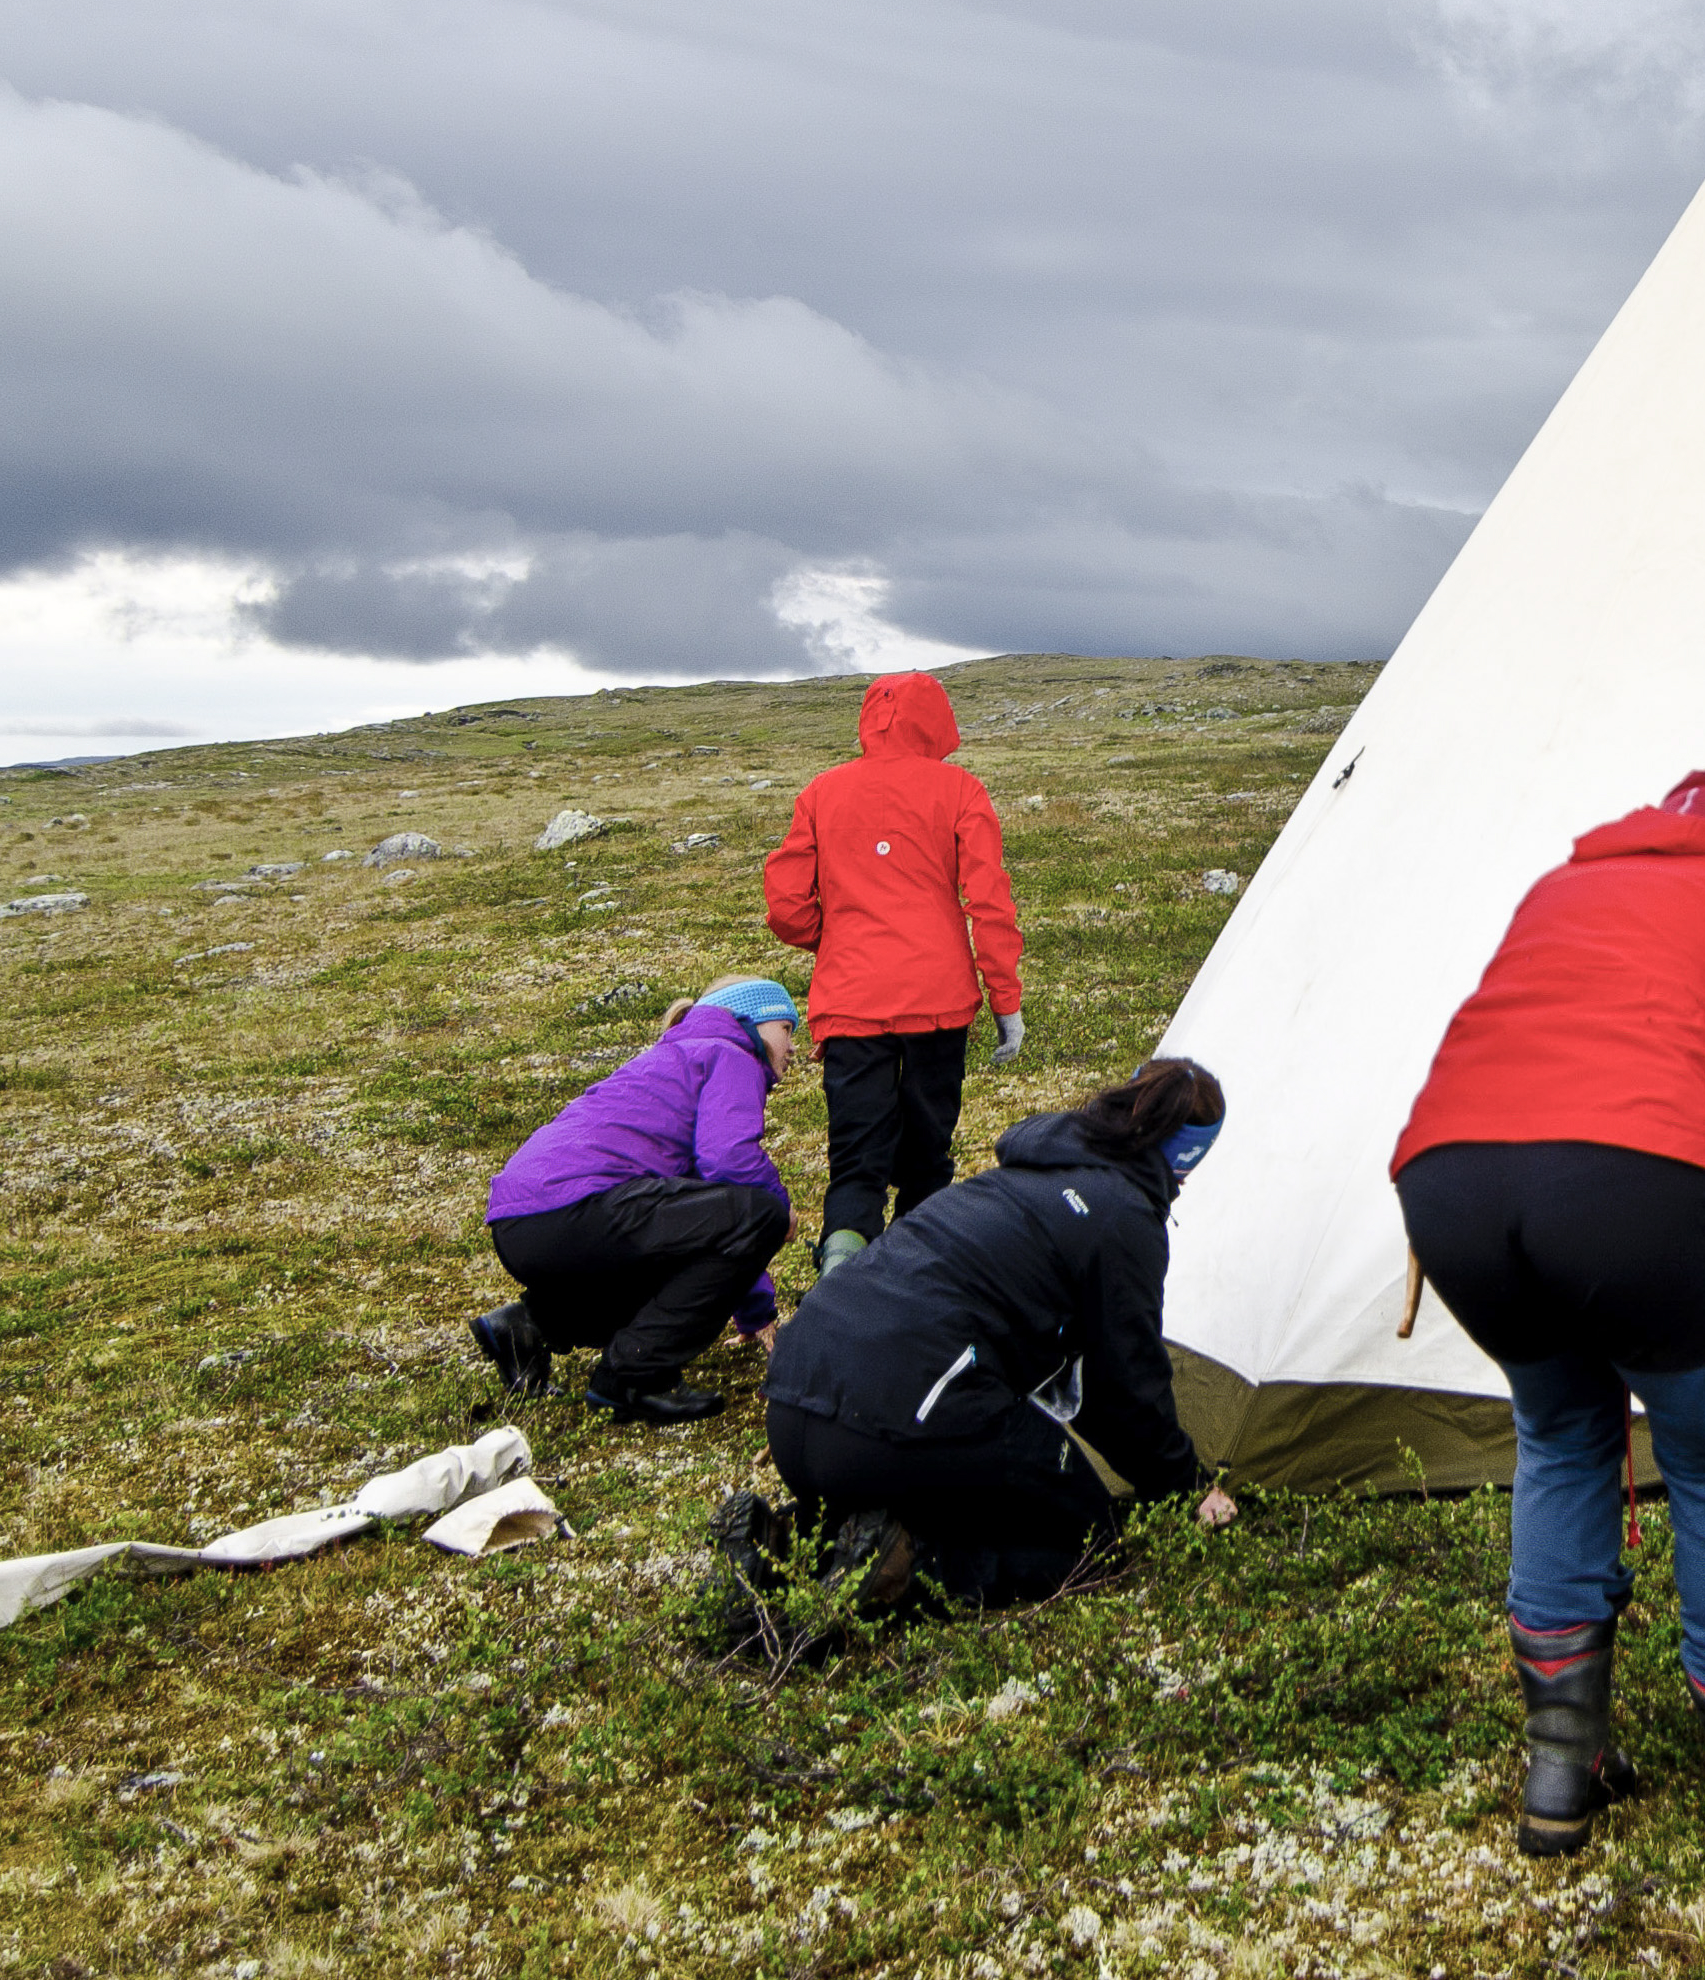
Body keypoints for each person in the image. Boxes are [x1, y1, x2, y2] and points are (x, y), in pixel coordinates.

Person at [1390, 767, 1705, 1865]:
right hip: (1631, 1184)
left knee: (1562, 1434)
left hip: (1452, 1180)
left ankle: (1562, 1765)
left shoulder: (1564, 886)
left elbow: (1566, 1079)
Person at [729, 1056, 1240, 1645]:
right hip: (889, 1421)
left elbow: (1091, 1386)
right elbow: (1124, 1387)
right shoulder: (1123, 1219)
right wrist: (1185, 1485)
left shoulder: (1021, 1175)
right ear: (1183, 1161)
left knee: (960, 1476)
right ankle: (908, 1572)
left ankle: (785, 1542)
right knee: (1083, 1538)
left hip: (796, 1404)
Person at [764, 670, 1027, 1279]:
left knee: (856, 1162)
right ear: (937, 721)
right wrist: (1005, 1003)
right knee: (927, 1157)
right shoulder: (960, 789)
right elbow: (988, 904)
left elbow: (785, 905)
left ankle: (842, 1275)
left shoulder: (822, 793)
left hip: (851, 1001)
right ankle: (918, 1284)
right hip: (940, 1002)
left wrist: (835, 941)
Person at [471, 978, 801, 1426]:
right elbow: (731, 1162)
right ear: (752, 1020)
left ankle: (531, 1326)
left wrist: (754, 1312)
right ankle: (635, 1377)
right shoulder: (731, 1052)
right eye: (787, 1027)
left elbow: (713, 1226)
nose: (793, 1046)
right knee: (761, 1211)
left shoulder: (675, 1058)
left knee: (707, 1230)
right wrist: (781, 1211)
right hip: (579, 1210)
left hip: (525, 1226)